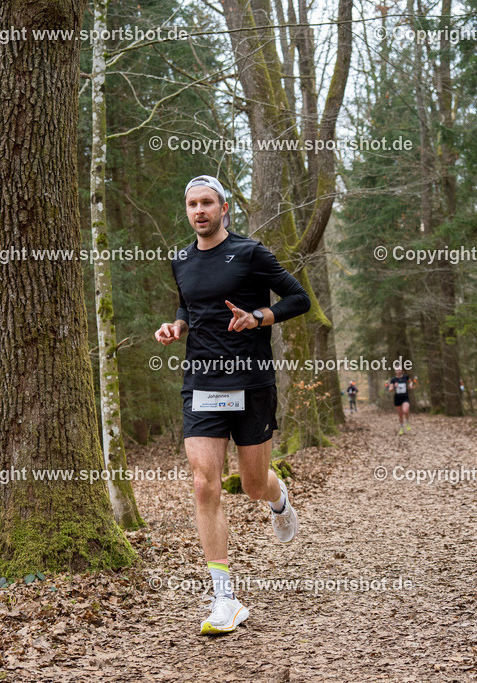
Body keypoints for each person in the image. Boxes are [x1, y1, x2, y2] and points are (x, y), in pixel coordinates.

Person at [154, 175, 310, 635]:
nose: (199, 211)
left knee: (253, 483)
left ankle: (278, 500)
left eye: (207, 203)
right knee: (204, 484)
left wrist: (260, 316)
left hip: (251, 383)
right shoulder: (180, 259)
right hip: (201, 383)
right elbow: (188, 306)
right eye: (191, 204)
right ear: (186, 211)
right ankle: (225, 599)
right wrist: (177, 327)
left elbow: (299, 298)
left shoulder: (250, 253)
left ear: (224, 209)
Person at [385, 364, 415, 435]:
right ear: (395, 371)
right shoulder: (393, 379)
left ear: (401, 370)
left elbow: (410, 382)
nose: (398, 371)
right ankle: (401, 427)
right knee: (400, 415)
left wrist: (410, 384)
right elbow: (390, 390)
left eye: (399, 369)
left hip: (405, 397)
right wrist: (394, 387)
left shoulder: (405, 377)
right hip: (397, 398)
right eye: (396, 370)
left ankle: (407, 421)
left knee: (405, 410)